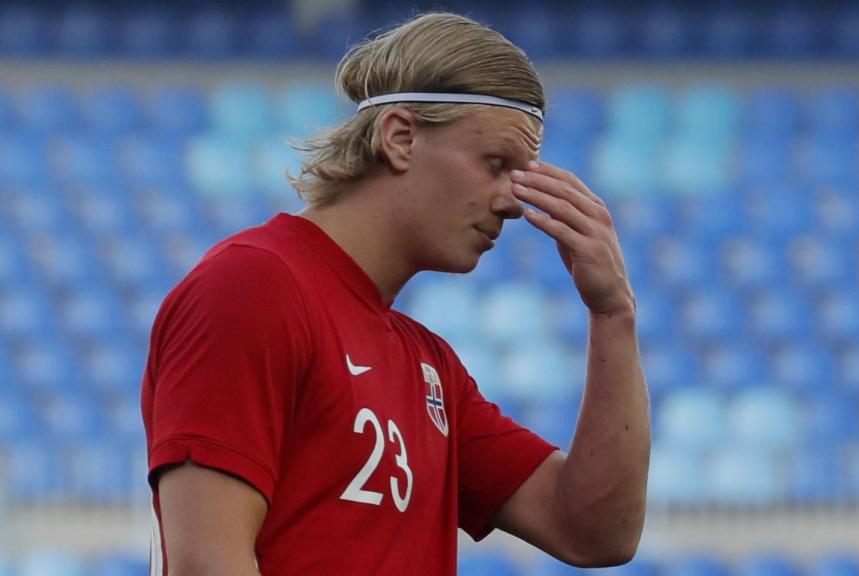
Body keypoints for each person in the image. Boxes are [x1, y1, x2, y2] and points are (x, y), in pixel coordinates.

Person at [141, 11, 649, 576]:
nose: (512, 202)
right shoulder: (253, 287)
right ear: (400, 137)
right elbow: (206, 565)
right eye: (495, 165)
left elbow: (594, 531)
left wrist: (613, 313)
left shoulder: (429, 366)